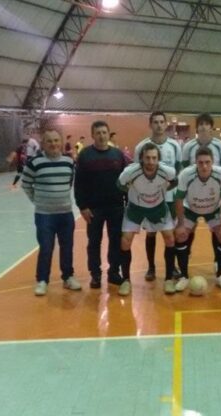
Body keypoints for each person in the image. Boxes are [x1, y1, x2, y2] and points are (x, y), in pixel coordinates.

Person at [21, 129, 82, 296]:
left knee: (67, 247)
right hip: (44, 215)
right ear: (43, 144)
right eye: (50, 141)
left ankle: (68, 277)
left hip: (65, 214)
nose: (54, 144)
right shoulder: (34, 163)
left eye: (56, 140)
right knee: (46, 247)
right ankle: (42, 280)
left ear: (61, 142)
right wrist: (38, 202)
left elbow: (69, 183)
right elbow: (26, 185)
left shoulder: (69, 162)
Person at [75, 121, 129, 290]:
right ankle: (95, 275)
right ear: (93, 135)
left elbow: (125, 181)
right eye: (98, 132)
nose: (101, 135)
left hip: (116, 207)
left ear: (108, 134)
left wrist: (127, 203)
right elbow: (79, 184)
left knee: (115, 241)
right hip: (93, 209)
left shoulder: (118, 155)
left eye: (104, 132)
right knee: (94, 242)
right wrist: (82, 207)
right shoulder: (85, 155)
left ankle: (113, 272)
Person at [117, 143, 178, 296]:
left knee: (170, 238)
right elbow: (119, 184)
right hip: (135, 208)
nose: (151, 161)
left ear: (158, 159)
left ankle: (169, 279)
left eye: (154, 158)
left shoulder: (167, 171)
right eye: (147, 158)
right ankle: (126, 280)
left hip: (158, 207)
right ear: (141, 159)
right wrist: (130, 190)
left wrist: (165, 189)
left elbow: (175, 181)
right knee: (125, 241)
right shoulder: (131, 171)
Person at [174, 147, 221, 290]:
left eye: (207, 162)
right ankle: (184, 276)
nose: (204, 166)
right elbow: (178, 199)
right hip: (191, 209)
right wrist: (181, 224)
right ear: (195, 162)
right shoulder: (186, 174)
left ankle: (220, 275)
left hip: (213, 210)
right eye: (200, 163)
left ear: (213, 162)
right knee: (180, 235)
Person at [134, 112, 183, 282]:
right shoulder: (141, 147)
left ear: (166, 124)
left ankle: (173, 266)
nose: (159, 125)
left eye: (162, 122)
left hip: (169, 198)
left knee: (170, 234)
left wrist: (173, 190)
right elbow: (136, 172)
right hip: (150, 199)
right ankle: (151, 268)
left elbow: (179, 172)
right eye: (155, 122)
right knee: (151, 234)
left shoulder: (175, 146)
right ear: (150, 125)